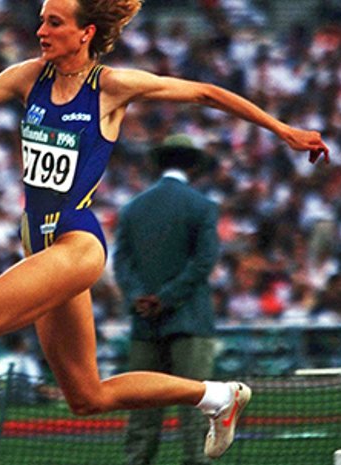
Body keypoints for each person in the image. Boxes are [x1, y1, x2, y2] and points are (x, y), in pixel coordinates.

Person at [0, 1, 327, 464]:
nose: (41, 31)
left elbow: (205, 93)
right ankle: (217, 397)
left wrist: (283, 130)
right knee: (87, 396)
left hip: (76, 242)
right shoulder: (27, 77)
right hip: (39, 247)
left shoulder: (110, 87)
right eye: (41, 20)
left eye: (54, 23)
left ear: (85, 33)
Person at [114, 134, 221, 465]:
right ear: (193, 166)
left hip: (144, 323)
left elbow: (121, 262)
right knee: (196, 408)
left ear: (159, 164)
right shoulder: (202, 206)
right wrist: (167, 298)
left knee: (142, 411)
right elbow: (203, 262)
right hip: (189, 320)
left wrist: (140, 298)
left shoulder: (132, 208)